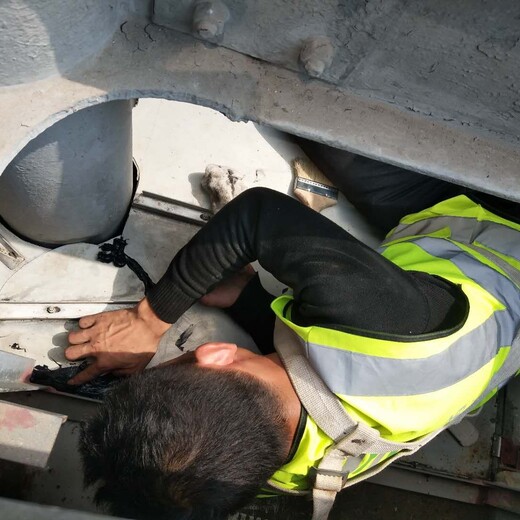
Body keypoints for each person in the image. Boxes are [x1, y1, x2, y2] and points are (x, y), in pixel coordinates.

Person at [67, 139, 520, 520]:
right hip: (490, 223)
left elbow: (313, 398)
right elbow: (257, 214)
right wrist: (148, 321)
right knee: (331, 115)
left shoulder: (284, 477)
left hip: (430, 283)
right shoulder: (395, 326)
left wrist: (246, 299)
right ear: (217, 353)